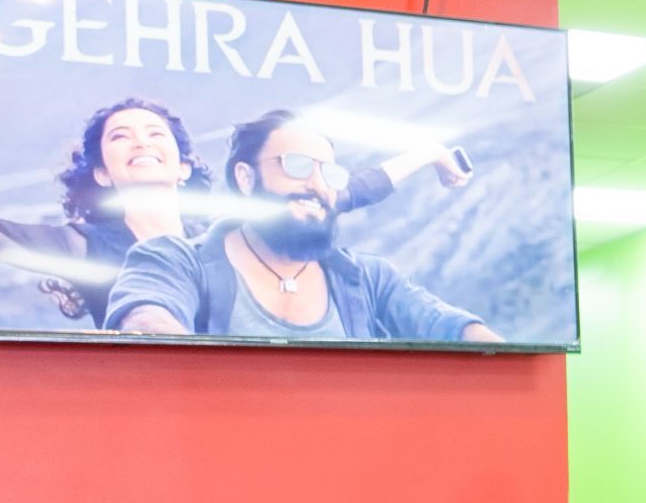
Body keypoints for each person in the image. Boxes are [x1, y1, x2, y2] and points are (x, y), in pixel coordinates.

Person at [106, 110, 501, 342]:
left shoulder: (367, 277)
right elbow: (146, 317)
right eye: (295, 166)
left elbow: (447, 326)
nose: (315, 184)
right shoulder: (175, 260)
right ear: (245, 178)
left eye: (328, 172)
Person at [0, 96, 195, 317]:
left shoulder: (215, 241)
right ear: (103, 174)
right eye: (120, 136)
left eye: (155, 133)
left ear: (184, 168)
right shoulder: (83, 247)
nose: (141, 142)